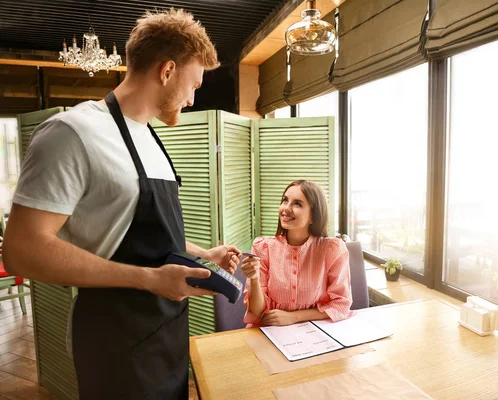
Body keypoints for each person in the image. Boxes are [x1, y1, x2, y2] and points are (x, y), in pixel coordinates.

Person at [3, 9, 241, 400]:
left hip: (166, 334)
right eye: (193, 85)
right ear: (167, 71)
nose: (192, 98)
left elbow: (147, 235)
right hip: (114, 342)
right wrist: (149, 279)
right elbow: (21, 250)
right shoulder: (71, 133)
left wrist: (203, 253)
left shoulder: (150, 137)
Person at [240, 180, 355, 328]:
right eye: (285, 200)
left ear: (313, 216)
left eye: (297, 204)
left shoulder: (332, 249)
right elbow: (256, 312)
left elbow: (341, 304)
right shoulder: (263, 247)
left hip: (316, 330)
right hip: (271, 331)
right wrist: (254, 279)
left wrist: (294, 317)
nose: (286, 209)